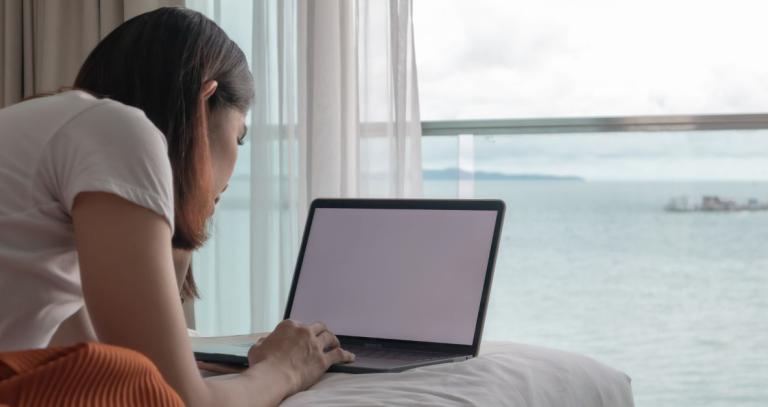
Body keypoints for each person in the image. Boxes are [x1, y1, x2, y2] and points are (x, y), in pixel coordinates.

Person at [0, 7, 353, 406]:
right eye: (239, 137)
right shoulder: (118, 130)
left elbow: (105, 352)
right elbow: (177, 399)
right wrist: (286, 368)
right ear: (204, 99)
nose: (231, 174)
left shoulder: (55, 127)